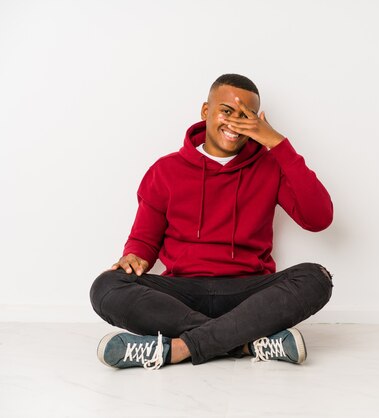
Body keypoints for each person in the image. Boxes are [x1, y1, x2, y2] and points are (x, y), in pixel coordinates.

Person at [89, 74, 334, 370]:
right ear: (206, 111)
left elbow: (318, 218)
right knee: (106, 286)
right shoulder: (165, 170)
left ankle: (177, 349)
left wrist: (276, 143)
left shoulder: (271, 167)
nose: (235, 122)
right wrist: (134, 257)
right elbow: (144, 241)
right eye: (227, 111)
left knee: (316, 278)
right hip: (181, 295)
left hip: (247, 293)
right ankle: (246, 342)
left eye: (246, 116)